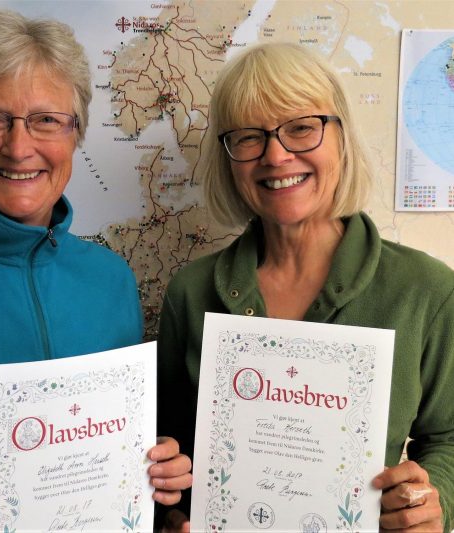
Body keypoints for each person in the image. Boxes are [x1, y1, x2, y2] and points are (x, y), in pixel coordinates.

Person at [0, 9, 191, 532]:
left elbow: (122, 446)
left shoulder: (111, 279)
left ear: (75, 135)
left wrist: (157, 476)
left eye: (46, 120)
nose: (18, 146)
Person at [158, 42, 454, 531]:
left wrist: (429, 502)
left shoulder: (426, 290)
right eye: (250, 137)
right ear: (229, 158)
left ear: (341, 138)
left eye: (300, 128)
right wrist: (169, 513)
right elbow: (168, 446)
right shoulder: (189, 292)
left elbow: (448, 438)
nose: (276, 155)